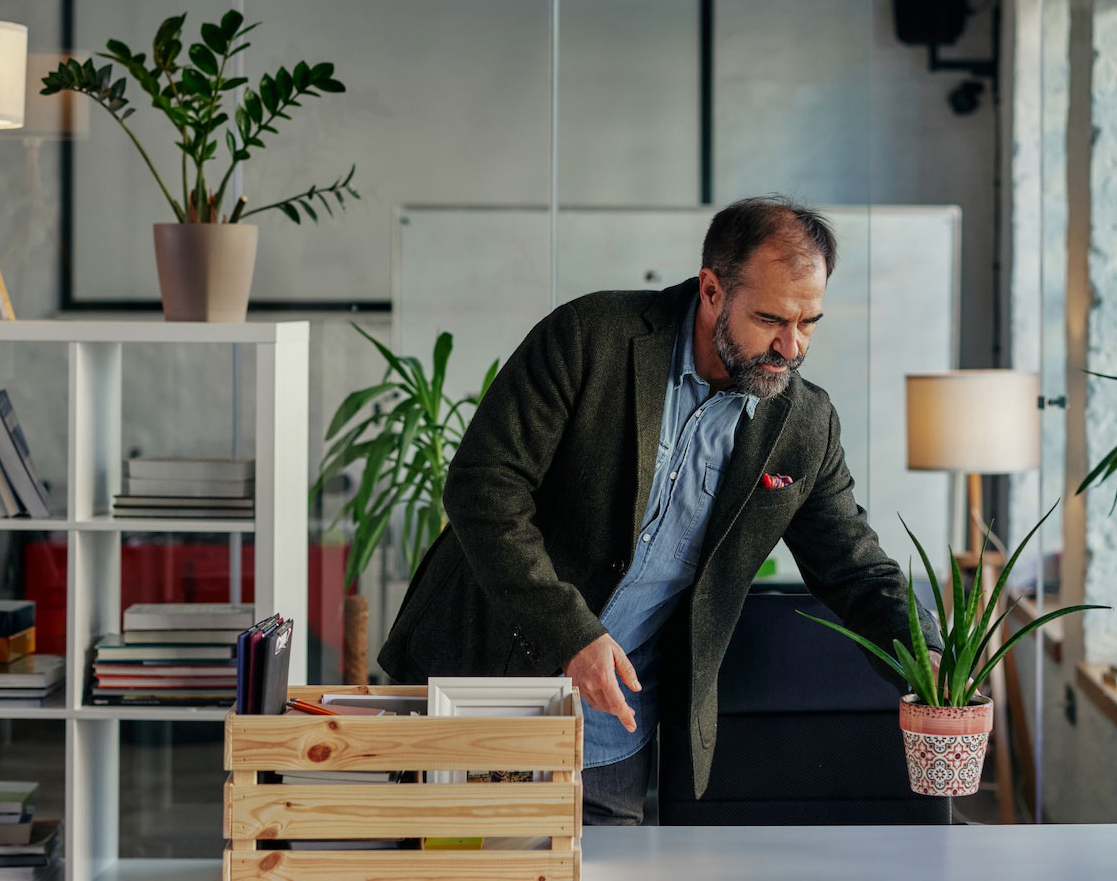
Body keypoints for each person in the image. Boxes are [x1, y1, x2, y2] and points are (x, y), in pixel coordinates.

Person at [380, 195, 935, 824]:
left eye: (810, 322)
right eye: (771, 318)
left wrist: (932, 660)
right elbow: (485, 486)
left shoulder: (804, 423)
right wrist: (572, 632)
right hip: (474, 687)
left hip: (611, 737)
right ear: (711, 290)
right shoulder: (592, 337)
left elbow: (854, 569)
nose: (792, 346)